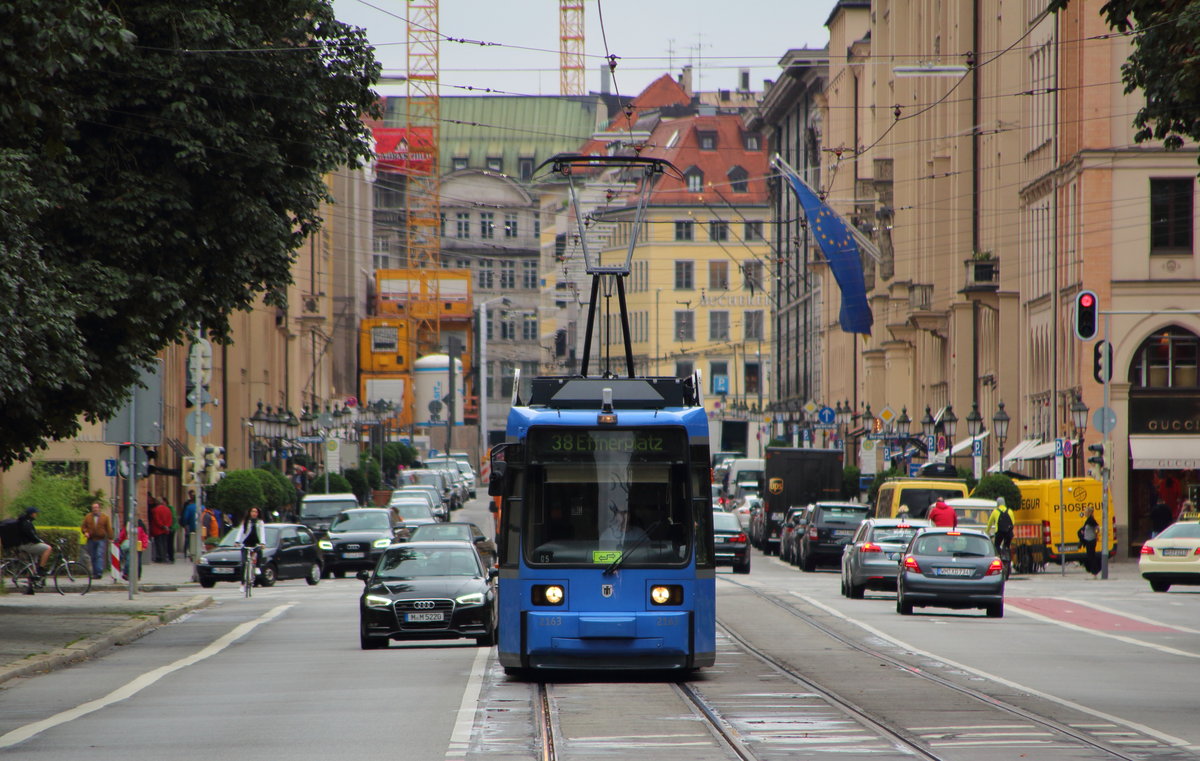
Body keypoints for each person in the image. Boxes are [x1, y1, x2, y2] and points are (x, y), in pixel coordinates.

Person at [80, 501, 114, 579]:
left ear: (99, 508)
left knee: (99, 555)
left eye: (96, 507)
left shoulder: (105, 517)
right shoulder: (88, 517)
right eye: (93, 508)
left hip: (101, 539)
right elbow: (83, 527)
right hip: (91, 539)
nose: (95, 509)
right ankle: (95, 573)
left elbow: (108, 528)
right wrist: (85, 532)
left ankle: (99, 572)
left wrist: (110, 537)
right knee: (93, 556)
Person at [15, 507, 52, 579]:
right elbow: (31, 536)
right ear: (31, 514)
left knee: (33, 564)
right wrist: (39, 541)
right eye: (35, 513)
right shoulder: (27, 523)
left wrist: (39, 541)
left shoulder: (24, 521)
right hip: (27, 545)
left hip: (24, 544)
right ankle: (41, 569)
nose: (36, 514)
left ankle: (31, 581)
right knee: (48, 548)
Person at [234, 507, 268, 584]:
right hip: (246, 543)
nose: (254, 513)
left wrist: (263, 543)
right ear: (249, 512)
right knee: (243, 563)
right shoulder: (246, 521)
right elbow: (240, 531)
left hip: (255, 543)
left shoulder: (260, 522)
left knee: (259, 551)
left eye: (256, 512)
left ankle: (257, 567)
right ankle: (243, 583)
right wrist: (237, 541)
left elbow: (262, 533)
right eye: (252, 511)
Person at [148, 497, 171, 563]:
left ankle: (160, 557)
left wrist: (162, 526)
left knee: (159, 543)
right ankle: (164, 556)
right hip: (166, 529)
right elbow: (170, 519)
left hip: (158, 529)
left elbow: (156, 519)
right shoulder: (167, 509)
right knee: (164, 543)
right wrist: (167, 526)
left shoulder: (155, 510)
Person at [1079, 507, 1100, 577]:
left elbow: (1097, 528)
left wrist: (1096, 535)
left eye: (1086, 512)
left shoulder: (1091, 520)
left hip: (1091, 540)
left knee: (1091, 556)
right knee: (1090, 556)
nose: (1085, 513)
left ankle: (1095, 571)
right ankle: (1093, 570)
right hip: (1088, 540)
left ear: (1089, 513)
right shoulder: (1088, 520)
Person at [181, 490, 198, 560]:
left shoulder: (189, 507)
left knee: (188, 539)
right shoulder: (202, 507)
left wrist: (184, 524)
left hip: (191, 526)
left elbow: (185, 517)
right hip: (200, 527)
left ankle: (188, 553)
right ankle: (196, 552)